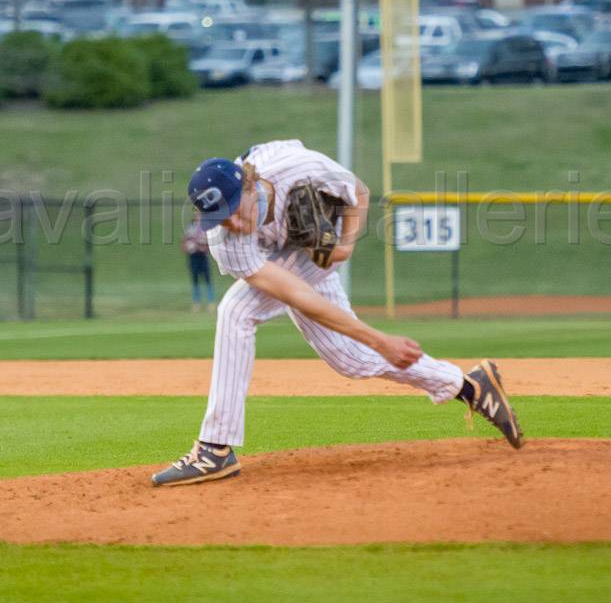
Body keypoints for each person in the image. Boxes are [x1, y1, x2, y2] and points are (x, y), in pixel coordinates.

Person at [151, 139, 523, 487]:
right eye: (220, 218)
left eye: (233, 211)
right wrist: (379, 340)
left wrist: (344, 247)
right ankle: (469, 386)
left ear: (249, 186)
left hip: (314, 251)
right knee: (353, 359)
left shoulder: (300, 168)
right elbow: (295, 293)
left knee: (234, 310)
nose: (231, 224)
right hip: (287, 260)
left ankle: (214, 449)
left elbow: (358, 191)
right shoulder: (225, 242)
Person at [182, 219, 215, 311]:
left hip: (203, 256)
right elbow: (185, 241)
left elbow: (208, 243)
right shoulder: (190, 228)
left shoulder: (205, 228)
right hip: (193, 257)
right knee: (195, 281)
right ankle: (196, 303)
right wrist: (188, 246)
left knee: (207, 280)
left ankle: (210, 302)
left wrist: (202, 247)